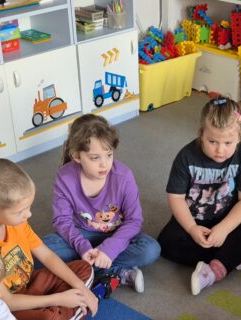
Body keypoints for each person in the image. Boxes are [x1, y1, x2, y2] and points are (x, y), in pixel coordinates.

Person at [0, 157, 98, 320]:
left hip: (28, 284)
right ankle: (58, 314)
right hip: (5, 306)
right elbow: (7, 301)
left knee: (83, 269)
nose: (28, 215)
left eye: (28, 207)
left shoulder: (14, 218)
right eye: (21, 211)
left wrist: (81, 288)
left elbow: (46, 255)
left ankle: (62, 311)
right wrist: (58, 298)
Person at [158, 96, 241, 296]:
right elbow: (176, 198)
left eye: (228, 142)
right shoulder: (186, 156)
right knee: (166, 243)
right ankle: (234, 257)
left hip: (226, 220)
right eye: (212, 141)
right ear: (201, 134)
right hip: (194, 219)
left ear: (239, 137)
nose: (220, 150)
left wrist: (224, 229)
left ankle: (215, 269)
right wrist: (192, 228)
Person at [42, 113, 160, 294]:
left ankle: (81, 272)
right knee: (40, 250)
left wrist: (109, 249)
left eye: (109, 155)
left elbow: (134, 221)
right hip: (82, 233)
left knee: (150, 250)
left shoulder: (123, 176)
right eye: (95, 158)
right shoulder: (65, 176)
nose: (104, 164)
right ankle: (115, 271)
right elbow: (62, 220)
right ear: (77, 156)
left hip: (117, 232)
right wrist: (83, 247)